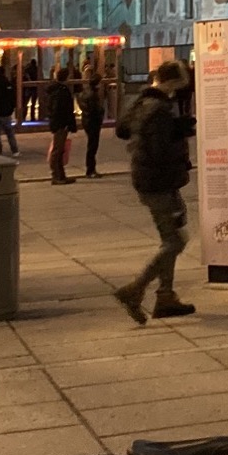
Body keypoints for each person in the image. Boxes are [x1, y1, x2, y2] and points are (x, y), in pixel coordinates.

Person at [114, 60, 196, 322]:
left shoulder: (143, 101)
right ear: (174, 81)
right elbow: (160, 151)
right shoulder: (159, 108)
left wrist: (173, 128)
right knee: (175, 241)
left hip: (147, 179)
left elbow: (122, 129)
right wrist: (177, 135)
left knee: (170, 238)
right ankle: (135, 289)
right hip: (160, 182)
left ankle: (166, 296)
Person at [45, 68, 77, 184]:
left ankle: (61, 175)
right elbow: (62, 110)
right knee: (58, 150)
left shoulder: (57, 90)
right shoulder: (60, 91)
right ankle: (56, 176)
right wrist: (68, 123)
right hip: (60, 124)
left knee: (60, 149)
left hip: (59, 123)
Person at [79, 73, 106, 177]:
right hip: (92, 122)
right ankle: (90, 170)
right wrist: (101, 113)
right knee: (92, 146)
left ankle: (90, 169)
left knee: (92, 145)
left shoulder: (85, 92)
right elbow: (95, 110)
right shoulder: (92, 95)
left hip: (87, 120)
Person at [22, 56, 41, 123]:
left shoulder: (28, 69)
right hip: (34, 88)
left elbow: (25, 75)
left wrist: (29, 81)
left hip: (28, 88)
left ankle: (23, 116)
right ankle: (32, 117)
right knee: (33, 103)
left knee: (26, 103)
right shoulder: (37, 69)